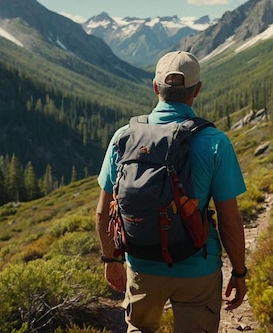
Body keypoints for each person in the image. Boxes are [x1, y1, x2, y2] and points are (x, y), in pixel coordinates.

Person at [96, 50, 248, 332]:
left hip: (141, 263)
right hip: (197, 269)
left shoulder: (124, 136)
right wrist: (239, 272)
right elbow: (230, 220)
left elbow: (103, 210)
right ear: (197, 90)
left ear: (155, 88)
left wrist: (110, 259)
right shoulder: (214, 142)